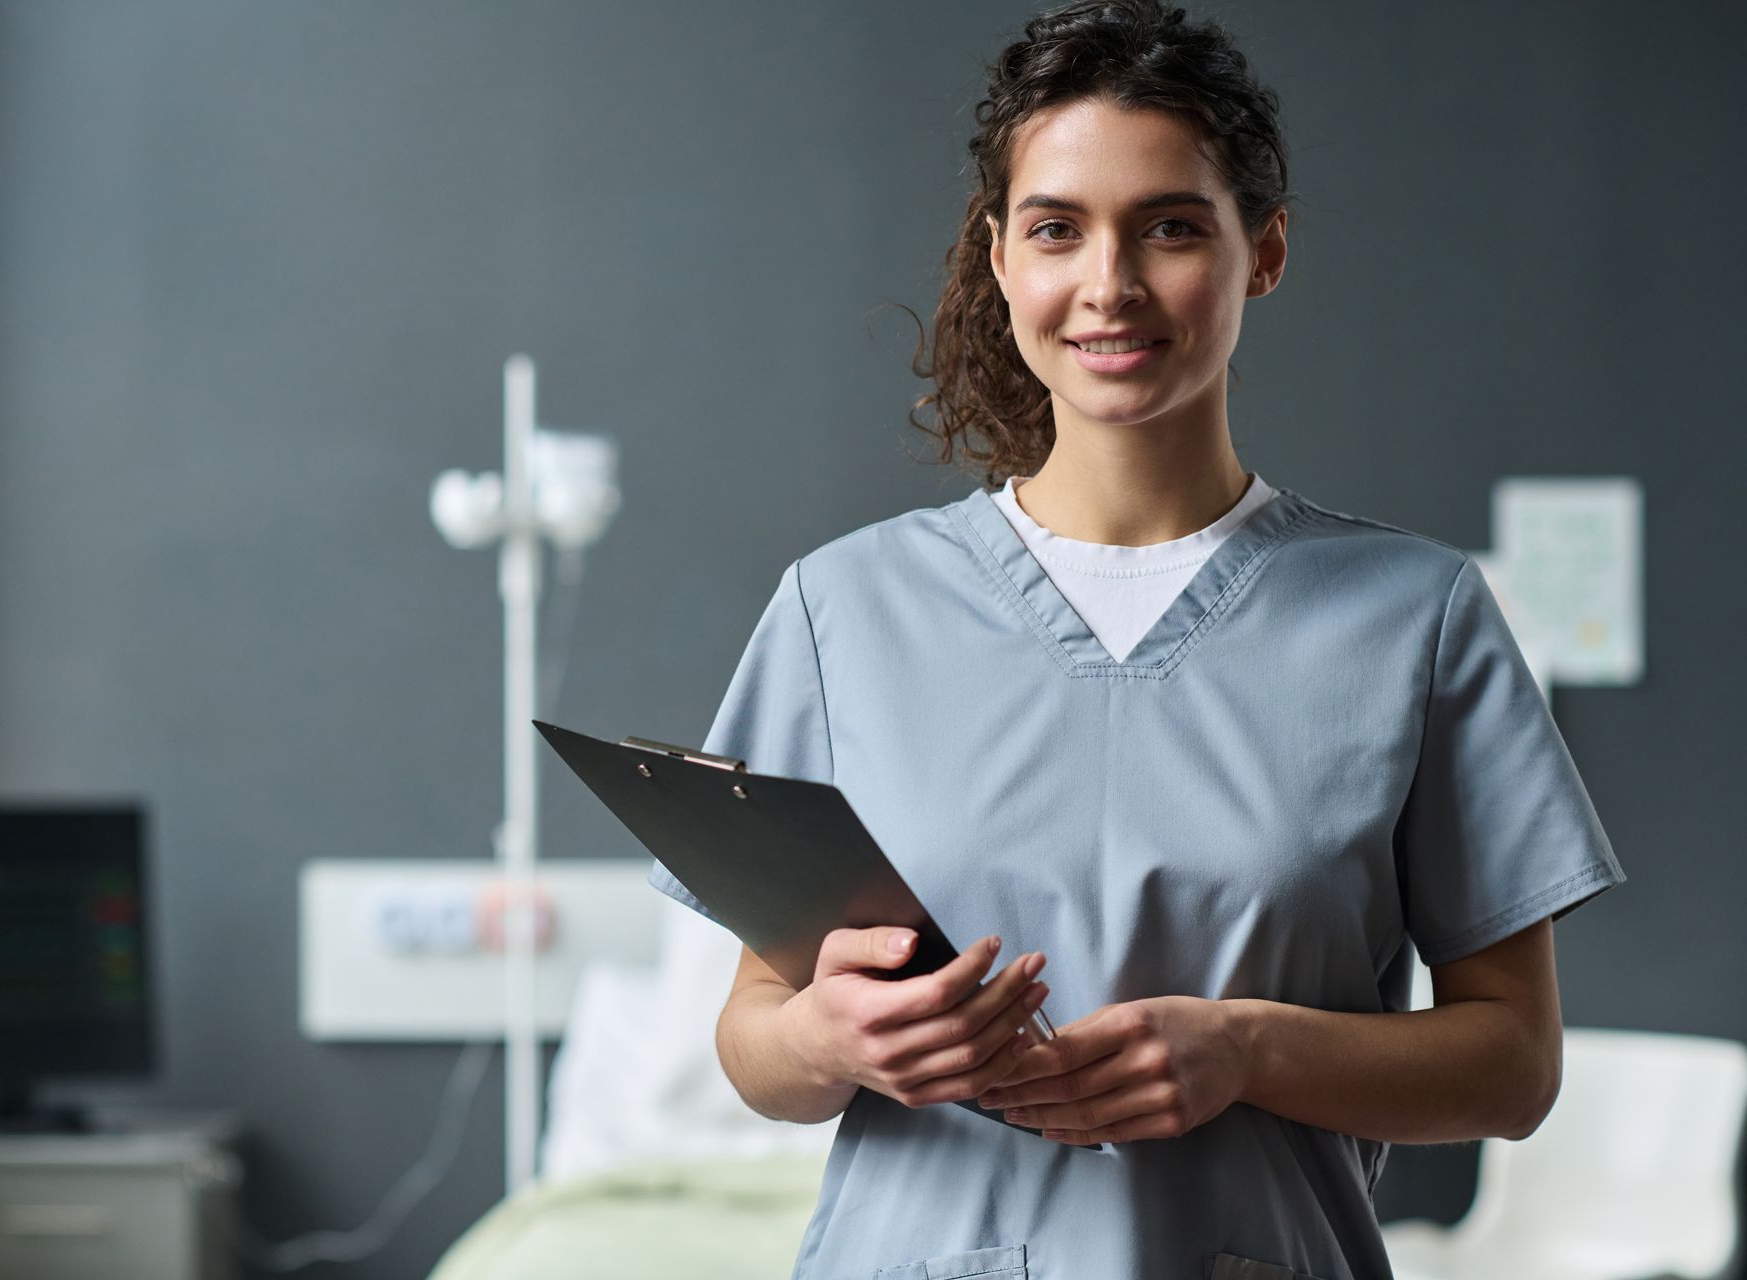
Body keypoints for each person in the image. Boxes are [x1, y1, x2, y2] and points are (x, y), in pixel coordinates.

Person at [647, 2, 1626, 1276]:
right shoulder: (845, 610)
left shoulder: (1416, 619)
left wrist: (1249, 1047)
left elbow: (1513, 1065)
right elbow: (756, 1040)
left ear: (1262, 251)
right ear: (1000, 259)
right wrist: (834, 1042)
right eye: (1057, 229)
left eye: (1170, 226)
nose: (1108, 284)